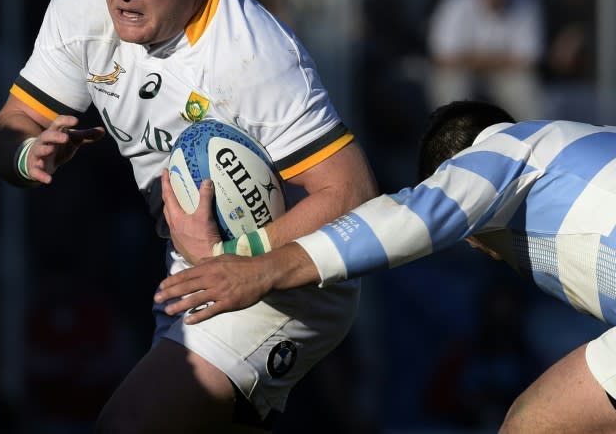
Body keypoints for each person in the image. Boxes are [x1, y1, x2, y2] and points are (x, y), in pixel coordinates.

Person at [0, 0, 378, 433]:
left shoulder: (252, 54)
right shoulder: (82, 8)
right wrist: (29, 155)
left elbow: (352, 193)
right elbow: (11, 124)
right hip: (192, 267)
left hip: (287, 277)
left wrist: (246, 257)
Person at [156, 99, 616, 433]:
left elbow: (412, 218)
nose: (476, 247)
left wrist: (263, 265)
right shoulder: (589, 141)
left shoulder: (504, 148)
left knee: (536, 423)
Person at [426, 0, 545, 120]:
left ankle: (533, 137)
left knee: (524, 87)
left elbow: (528, 59)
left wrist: (472, 58)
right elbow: (442, 56)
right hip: (464, 71)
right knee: (449, 83)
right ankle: (452, 137)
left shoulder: (524, 0)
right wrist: (496, 59)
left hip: (505, 74)